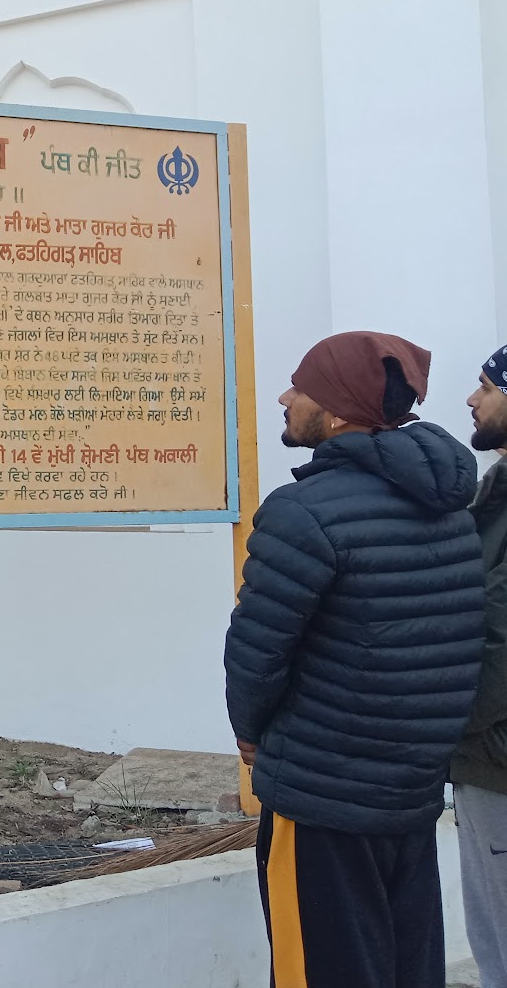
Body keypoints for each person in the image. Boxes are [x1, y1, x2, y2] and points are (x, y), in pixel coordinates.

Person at [225, 331, 485, 988]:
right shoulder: (453, 513)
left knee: (319, 970)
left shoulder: (303, 513)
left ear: (338, 412)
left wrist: (251, 735)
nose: (285, 398)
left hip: (320, 797)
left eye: (302, 386)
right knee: (403, 967)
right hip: (409, 794)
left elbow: (256, 654)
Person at [452, 346, 507, 988]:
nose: (473, 398)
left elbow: (499, 641)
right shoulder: (496, 490)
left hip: (497, 757)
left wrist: (453, 725)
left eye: (488, 386)